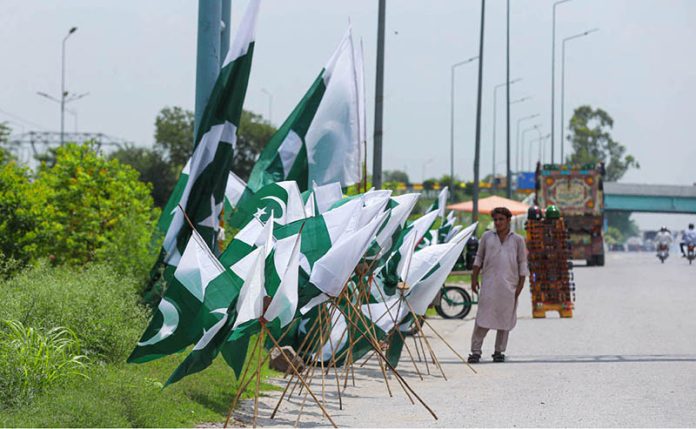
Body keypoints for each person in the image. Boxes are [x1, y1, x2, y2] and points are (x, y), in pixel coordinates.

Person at [468, 207, 529, 364]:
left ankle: (499, 351)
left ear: (508, 220)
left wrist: (520, 285)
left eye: (501, 219)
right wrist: (474, 278)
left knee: (504, 319)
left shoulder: (518, 240)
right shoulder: (487, 237)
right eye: (495, 220)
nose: (498, 222)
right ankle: (475, 352)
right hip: (488, 284)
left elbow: (522, 263)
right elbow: (479, 258)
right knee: (482, 319)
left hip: (509, 286)